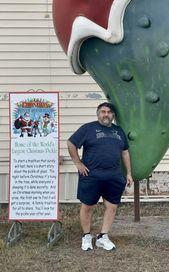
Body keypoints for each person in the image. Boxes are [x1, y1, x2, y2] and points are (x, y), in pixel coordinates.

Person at [67, 102, 133, 251]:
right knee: (88, 206)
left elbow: (125, 152)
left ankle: (103, 237)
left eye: (109, 112)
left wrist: (128, 173)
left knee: (112, 207)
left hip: (114, 176)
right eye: (103, 111)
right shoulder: (88, 128)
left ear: (113, 115)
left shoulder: (119, 131)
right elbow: (71, 143)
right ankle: (86, 236)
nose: (106, 114)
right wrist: (78, 163)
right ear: (98, 114)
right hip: (92, 176)